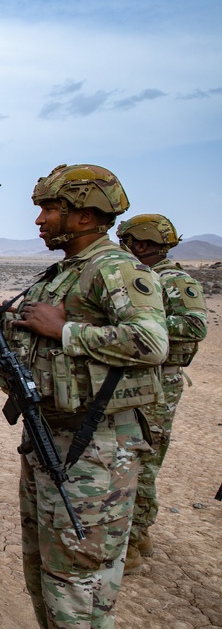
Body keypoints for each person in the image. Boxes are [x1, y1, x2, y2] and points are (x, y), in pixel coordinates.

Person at [0, 165, 167, 628]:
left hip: (95, 452)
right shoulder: (64, 272)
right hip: (51, 439)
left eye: (51, 209)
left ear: (86, 215)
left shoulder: (115, 268)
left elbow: (152, 343)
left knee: (79, 584)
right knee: (45, 575)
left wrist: (65, 330)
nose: (40, 220)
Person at [116, 214, 207, 573]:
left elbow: (195, 325)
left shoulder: (174, 280)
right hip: (143, 377)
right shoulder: (147, 278)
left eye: (128, 243)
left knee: (142, 460)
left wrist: (142, 321)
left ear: (140, 244)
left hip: (160, 382)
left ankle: (135, 542)